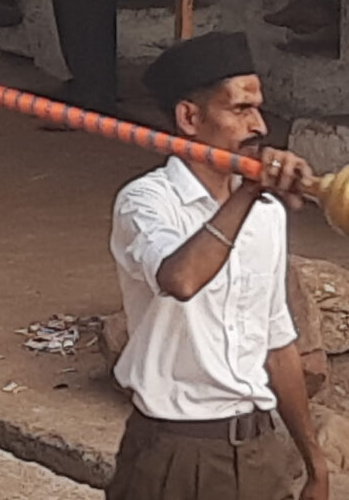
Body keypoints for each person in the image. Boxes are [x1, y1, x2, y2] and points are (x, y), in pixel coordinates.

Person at [105, 32, 327, 500]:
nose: (259, 126)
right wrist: (248, 191)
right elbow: (180, 279)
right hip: (175, 455)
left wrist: (315, 464)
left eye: (258, 108)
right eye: (240, 110)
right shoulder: (146, 202)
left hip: (259, 454)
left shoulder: (266, 215)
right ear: (190, 117)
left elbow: (277, 344)